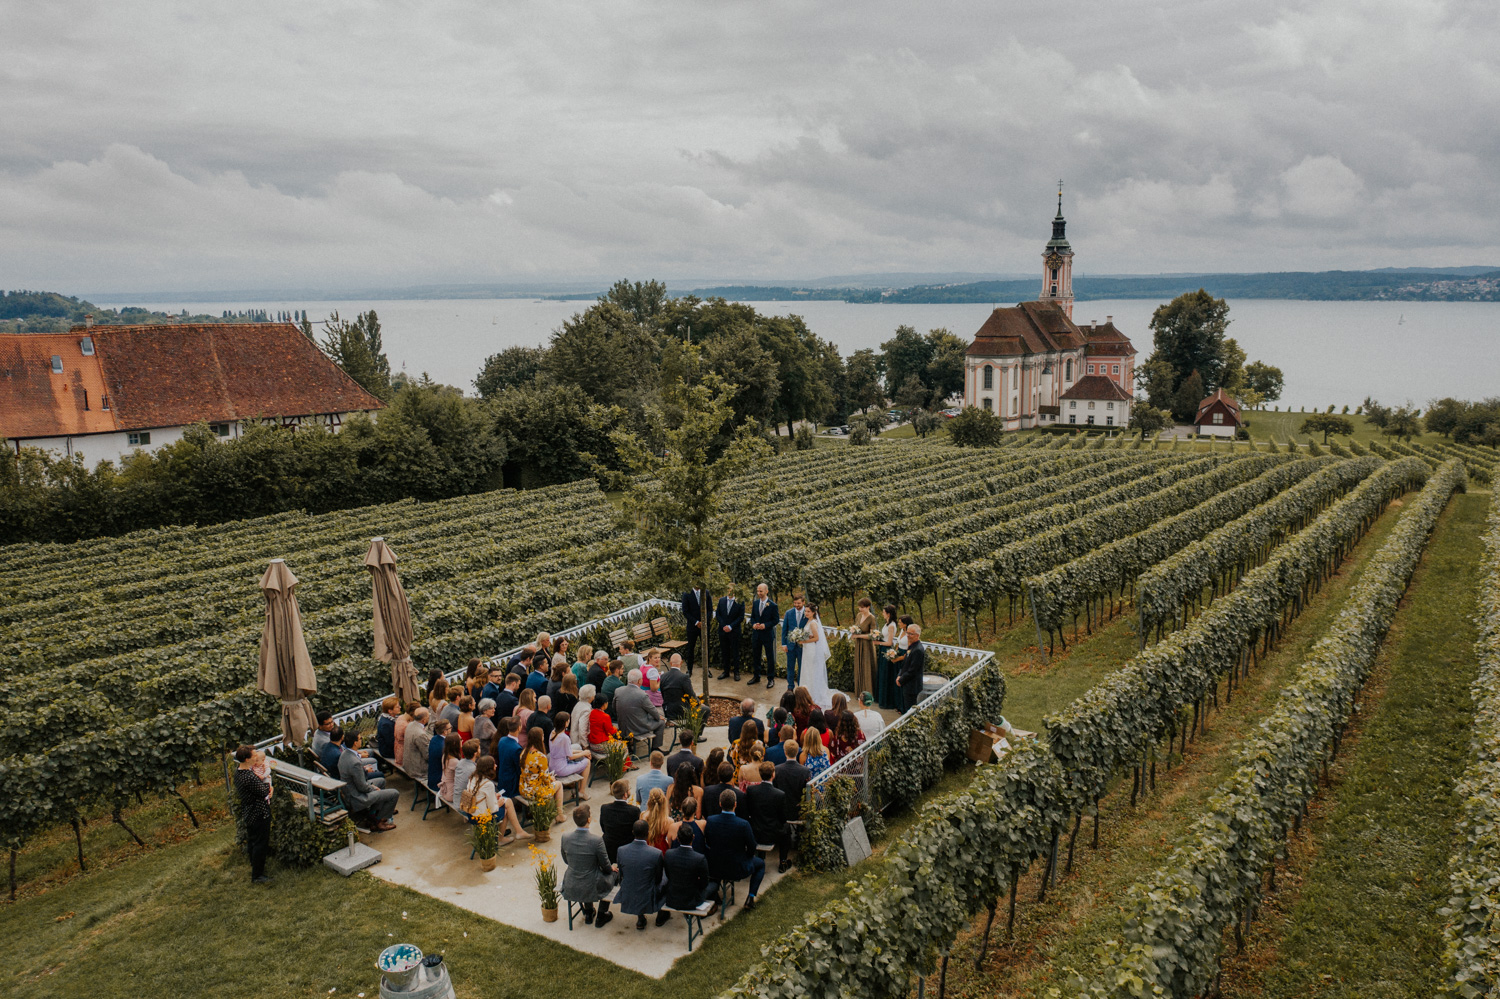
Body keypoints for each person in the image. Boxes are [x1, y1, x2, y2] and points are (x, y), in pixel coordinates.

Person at [705, 789, 764, 910]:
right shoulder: (743, 824)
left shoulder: (710, 821)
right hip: (737, 868)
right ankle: (751, 897)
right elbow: (752, 846)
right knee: (761, 864)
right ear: (735, 805)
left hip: (715, 867)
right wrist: (747, 856)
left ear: (720, 804)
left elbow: (709, 842)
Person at [561, 804, 618, 928]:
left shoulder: (565, 837)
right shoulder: (596, 840)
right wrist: (612, 868)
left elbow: (566, 860)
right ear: (589, 819)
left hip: (571, 882)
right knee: (614, 874)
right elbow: (606, 866)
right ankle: (602, 914)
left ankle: (588, 912)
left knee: (587, 875)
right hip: (591, 884)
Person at [340, 730, 401, 832]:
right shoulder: (354, 762)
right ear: (355, 742)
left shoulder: (345, 754)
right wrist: (373, 788)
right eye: (360, 739)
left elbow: (354, 776)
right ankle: (379, 822)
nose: (361, 740)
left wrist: (363, 770)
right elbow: (362, 787)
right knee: (394, 793)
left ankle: (373, 814)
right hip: (357, 797)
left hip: (351, 790)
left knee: (381, 781)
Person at [617, 819, 670, 930]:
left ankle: (641, 918)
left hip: (630, 888)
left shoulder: (621, 850)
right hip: (648, 892)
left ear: (633, 832)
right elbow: (658, 879)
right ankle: (662, 914)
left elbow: (622, 874)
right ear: (648, 833)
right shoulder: (656, 853)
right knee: (667, 876)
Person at [465, 756, 529, 843]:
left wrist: (493, 796)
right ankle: (503, 838)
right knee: (506, 806)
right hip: (481, 817)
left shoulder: (473, 778)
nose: (496, 765)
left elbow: (479, 796)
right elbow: (493, 808)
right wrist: (498, 803)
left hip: (471, 814)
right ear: (489, 769)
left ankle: (519, 832)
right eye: (493, 764)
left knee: (507, 802)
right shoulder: (488, 784)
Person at [234, 745, 273, 883]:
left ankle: (254, 864)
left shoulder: (239, 773)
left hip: (249, 811)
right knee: (260, 843)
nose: (257, 756)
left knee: (253, 840)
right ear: (247, 759)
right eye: (254, 755)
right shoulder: (249, 777)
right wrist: (269, 788)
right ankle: (257, 875)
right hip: (258, 812)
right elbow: (263, 792)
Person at [664, 823, 719, 915]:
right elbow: (704, 883)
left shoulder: (669, 854)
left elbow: (668, 875)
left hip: (673, 898)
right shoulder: (699, 858)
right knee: (714, 884)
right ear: (693, 837)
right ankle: (712, 907)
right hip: (692, 900)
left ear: (678, 838)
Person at [746, 760, 791, 872]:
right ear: (773, 774)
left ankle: (761, 857)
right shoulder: (779, 794)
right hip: (772, 832)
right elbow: (783, 818)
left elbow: (749, 810)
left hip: (756, 830)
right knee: (787, 828)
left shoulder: (751, 790)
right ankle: (783, 861)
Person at [614, 669, 667, 752]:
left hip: (623, 726)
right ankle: (655, 748)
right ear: (639, 681)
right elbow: (652, 710)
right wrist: (658, 717)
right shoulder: (642, 694)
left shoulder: (618, 691)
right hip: (637, 728)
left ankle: (629, 746)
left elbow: (614, 707)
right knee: (661, 723)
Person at [520, 727, 564, 824]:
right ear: (540, 738)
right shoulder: (540, 756)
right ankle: (559, 815)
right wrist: (551, 778)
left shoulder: (523, 752)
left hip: (524, 788)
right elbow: (545, 778)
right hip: (535, 791)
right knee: (559, 784)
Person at [549, 711, 592, 797]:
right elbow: (571, 757)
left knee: (581, 755)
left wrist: (582, 752)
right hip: (561, 769)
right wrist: (584, 753)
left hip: (552, 766)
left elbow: (566, 751)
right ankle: (581, 791)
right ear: (566, 723)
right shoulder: (564, 738)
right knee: (587, 762)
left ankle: (578, 789)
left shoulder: (553, 733)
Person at [799, 602, 833, 709]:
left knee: (810, 670)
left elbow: (816, 638)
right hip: (807, 649)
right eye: (805, 611)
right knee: (807, 670)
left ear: (814, 612)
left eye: (809, 611)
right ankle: (806, 692)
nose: (806, 613)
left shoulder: (813, 623)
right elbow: (811, 635)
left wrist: (804, 641)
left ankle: (811, 694)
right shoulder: (809, 621)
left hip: (811, 650)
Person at [599, 779, 641, 865]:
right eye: (629, 789)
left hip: (609, 848)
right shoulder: (634, 811)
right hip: (627, 848)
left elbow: (603, 827)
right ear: (625, 795)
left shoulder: (604, 808)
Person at [747, 582, 779, 689]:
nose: (759, 593)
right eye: (758, 591)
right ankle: (756, 676)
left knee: (770, 657)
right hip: (757, 635)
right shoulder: (755, 603)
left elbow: (776, 620)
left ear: (766, 591)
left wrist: (765, 625)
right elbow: (752, 617)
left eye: (761, 591)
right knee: (756, 656)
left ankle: (771, 679)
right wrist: (754, 624)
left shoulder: (773, 605)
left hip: (767, 635)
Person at [773, 739, 812, 820]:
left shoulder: (777, 770)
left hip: (781, 811)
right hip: (799, 811)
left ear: (785, 752)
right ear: (797, 752)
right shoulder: (805, 771)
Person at [850, 596, 879, 701]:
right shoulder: (858, 615)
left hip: (867, 646)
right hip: (859, 645)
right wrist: (854, 632)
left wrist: (858, 636)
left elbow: (872, 636)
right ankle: (859, 692)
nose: (860, 609)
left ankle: (868, 693)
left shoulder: (871, 618)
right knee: (859, 665)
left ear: (868, 607)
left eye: (862, 607)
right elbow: (856, 627)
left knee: (866, 667)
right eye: (859, 607)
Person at [715, 588, 744, 681]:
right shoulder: (721, 600)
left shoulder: (740, 601)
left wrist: (731, 626)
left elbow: (741, 617)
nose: (730, 592)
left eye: (732, 590)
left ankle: (736, 672)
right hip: (723, 630)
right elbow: (718, 614)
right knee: (724, 651)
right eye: (728, 590)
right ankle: (726, 671)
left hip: (734, 631)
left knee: (735, 652)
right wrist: (723, 625)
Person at [897, 623, 926, 712]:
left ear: (917, 635)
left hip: (912, 686)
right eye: (907, 633)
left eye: (911, 634)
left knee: (910, 710)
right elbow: (905, 663)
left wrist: (901, 680)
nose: (908, 636)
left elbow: (913, 670)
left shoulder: (918, 650)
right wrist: (899, 675)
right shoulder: (911, 646)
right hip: (906, 683)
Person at [782, 593, 808, 689]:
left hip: (803, 646)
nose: (796, 605)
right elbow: (784, 629)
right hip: (790, 646)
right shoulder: (789, 613)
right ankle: (790, 686)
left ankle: (801, 687)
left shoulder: (807, 613)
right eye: (795, 603)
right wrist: (784, 644)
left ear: (803, 602)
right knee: (790, 667)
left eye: (799, 603)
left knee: (802, 667)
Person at [494, 717, 524, 798]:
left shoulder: (502, 740)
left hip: (502, 778)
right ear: (519, 728)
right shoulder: (517, 748)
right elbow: (518, 769)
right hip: (511, 783)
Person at [681, 584, 706, 675]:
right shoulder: (686, 594)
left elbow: (710, 609)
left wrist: (704, 622)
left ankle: (706, 670)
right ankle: (689, 669)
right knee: (691, 648)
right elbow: (685, 611)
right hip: (692, 627)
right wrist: (696, 622)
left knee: (705, 648)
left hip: (704, 626)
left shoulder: (706, 593)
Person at [660, 654, 693, 720]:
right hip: (682, 710)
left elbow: (662, 694)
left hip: (667, 710)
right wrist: (698, 703)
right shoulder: (684, 677)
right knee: (705, 710)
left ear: (670, 663)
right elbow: (691, 694)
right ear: (681, 662)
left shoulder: (663, 676)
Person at [644, 786, 675, 852]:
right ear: (664, 801)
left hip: (647, 848)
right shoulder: (669, 821)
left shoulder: (643, 815)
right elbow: (670, 842)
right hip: (662, 849)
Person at [402, 707, 431, 776]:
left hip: (409, 764)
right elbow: (428, 756)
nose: (429, 718)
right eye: (428, 717)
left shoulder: (410, 725)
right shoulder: (420, 734)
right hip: (418, 769)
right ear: (424, 720)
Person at [452, 739, 480, 806]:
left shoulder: (460, 762)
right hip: (464, 805)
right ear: (475, 754)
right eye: (479, 748)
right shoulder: (474, 770)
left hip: (456, 800)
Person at [426, 718, 452, 791]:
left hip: (431, 777)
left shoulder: (434, 739)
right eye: (450, 728)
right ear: (445, 732)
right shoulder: (444, 746)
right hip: (438, 780)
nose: (451, 729)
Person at [438, 732, 462, 803]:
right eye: (460, 739)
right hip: (451, 794)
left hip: (445, 790)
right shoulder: (455, 761)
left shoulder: (445, 755)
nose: (462, 741)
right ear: (455, 743)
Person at [375, 696, 400, 761]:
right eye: (397, 707)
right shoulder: (386, 724)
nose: (400, 707)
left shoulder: (387, 718)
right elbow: (391, 742)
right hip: (388, 752)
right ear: (390, 711)